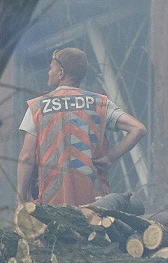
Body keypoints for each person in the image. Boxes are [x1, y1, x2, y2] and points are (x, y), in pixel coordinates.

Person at [17, 47, 147, 205]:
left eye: (51, 68)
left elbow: (26, 156)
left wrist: (21, 196)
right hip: (95, 199)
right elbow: (138, 129)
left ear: (61, 73)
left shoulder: (38, 107)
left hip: (52, 199)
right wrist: (110, 158)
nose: (48, 72)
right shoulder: (99, 103)